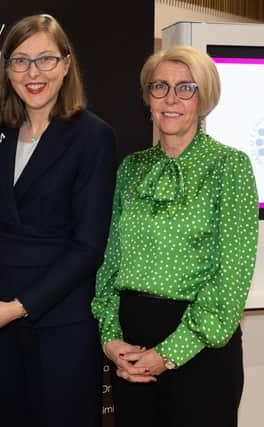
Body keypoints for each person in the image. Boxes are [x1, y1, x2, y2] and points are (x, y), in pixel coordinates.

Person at [0, 14, 117, 427]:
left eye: (46, 59)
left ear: (66, 64)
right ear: (6, 69)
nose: (33, 73)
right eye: (20, 60)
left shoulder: (92, 137)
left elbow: (88, 249)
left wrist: (15, 309)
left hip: (60, 322)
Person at [91, 45, 259, 427]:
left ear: (205, 99)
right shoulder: (132, 168)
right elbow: (110, 261)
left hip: (200, 347)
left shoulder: (229, 167)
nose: (170, 99)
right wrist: (111, 337)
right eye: (160, 87)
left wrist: (168, 354)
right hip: (131, 346)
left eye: (186, 88)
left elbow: (231, 275)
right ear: (147, 97)